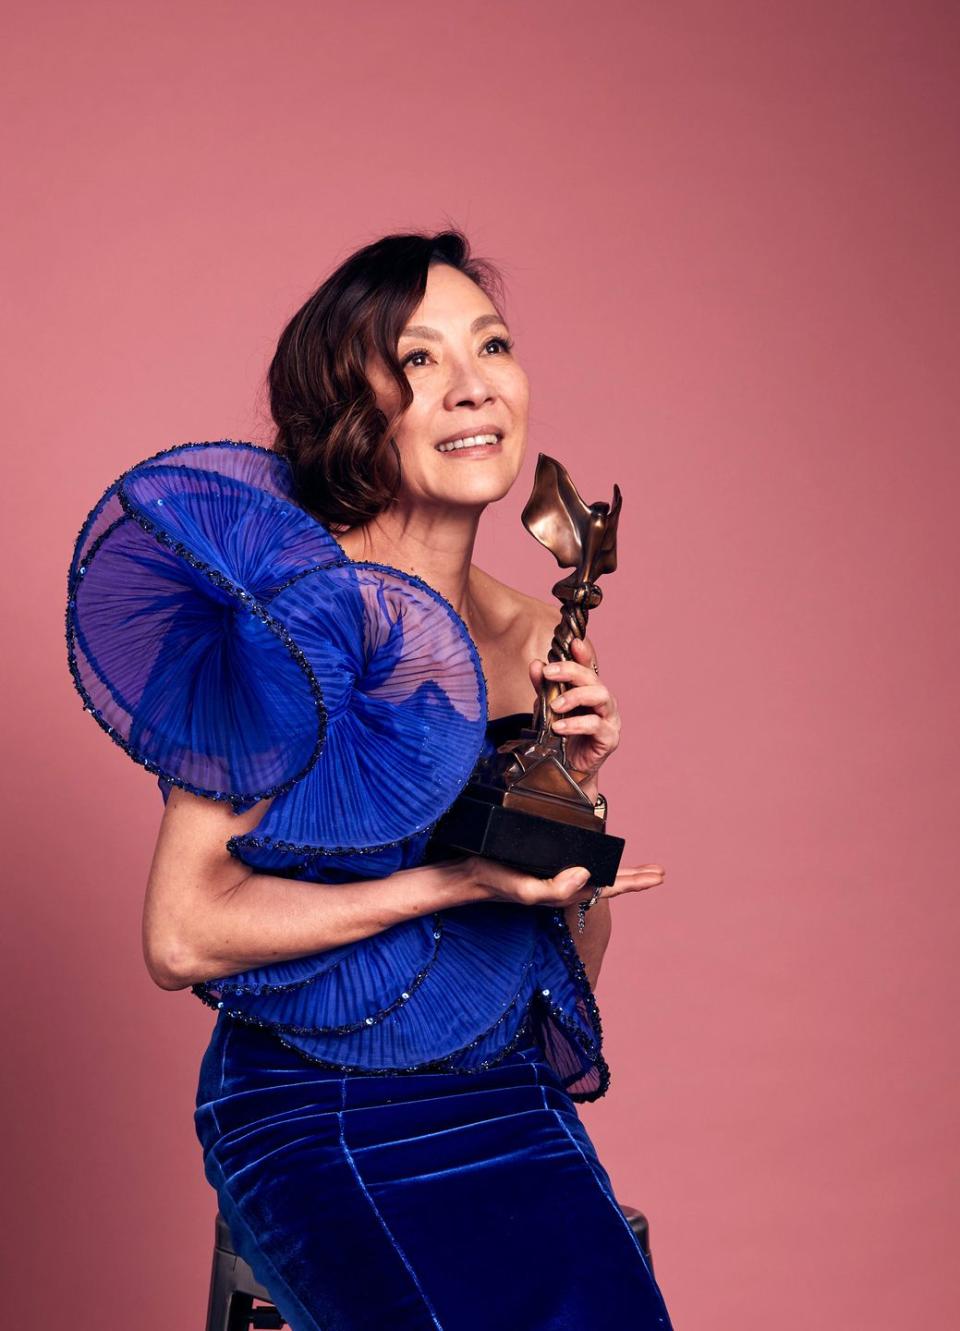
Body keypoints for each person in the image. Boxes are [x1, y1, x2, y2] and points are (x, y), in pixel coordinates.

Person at [65, 230, 674, 1330]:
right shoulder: (295, 616)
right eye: (420, 359)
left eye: (489, 344)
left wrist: (573, 816)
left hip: (506, 1100)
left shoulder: (540, 631)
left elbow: (565, 970)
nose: (472, 383)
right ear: (355, 411)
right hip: (319, 1110)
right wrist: (453, 882)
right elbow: (180, 933)